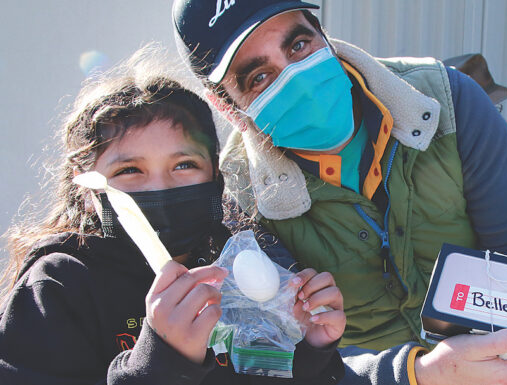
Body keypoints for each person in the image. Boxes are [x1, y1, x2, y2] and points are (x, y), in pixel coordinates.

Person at [172, 1, 507, 384]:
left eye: (299, 45)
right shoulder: (238, 196)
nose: (297, 79)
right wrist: (420, 374)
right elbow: (284, 361)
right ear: (227, 106)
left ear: (323, 35)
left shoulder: (446, 100)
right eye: (260, 76)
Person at [0, 48, 346, 385]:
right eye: (129, 170)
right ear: (89, 193)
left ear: (215, 177)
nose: (159, 188)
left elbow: (262, 372)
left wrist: (309, 352)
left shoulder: (236, 268)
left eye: (184, 165)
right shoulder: (59, 285)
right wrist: (163, 361)